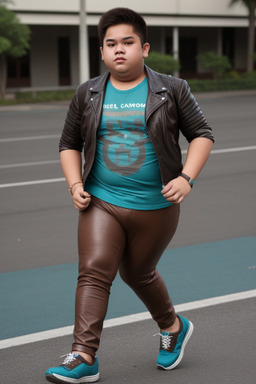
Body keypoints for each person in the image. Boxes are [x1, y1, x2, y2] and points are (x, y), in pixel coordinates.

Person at [45, 7, 214, 383]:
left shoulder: (172, 89)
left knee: (138, 272)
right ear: (102, 52)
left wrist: (187, 177)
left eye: (127, 42)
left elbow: (202, 134)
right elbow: (69, 143)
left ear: (145, 48)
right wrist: (75, 184)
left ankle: (173, 327)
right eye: (111, 44)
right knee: (93, 272)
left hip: (157, 204)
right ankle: (84, 355)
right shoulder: (87, 93)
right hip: (101, 200)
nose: (119, 49)